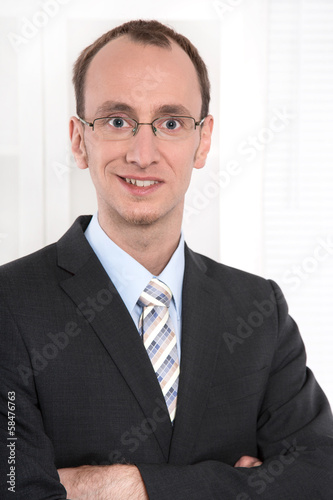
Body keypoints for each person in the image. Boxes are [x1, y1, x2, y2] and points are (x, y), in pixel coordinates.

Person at [0, 19, 332, 500]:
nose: (143, 153)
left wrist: (124, 485)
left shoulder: (259, 309)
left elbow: (319, 477)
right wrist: (242, 486)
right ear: (78, 140)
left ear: (203, 140)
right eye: (117, 121)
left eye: (171, 123)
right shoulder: (10, 305)